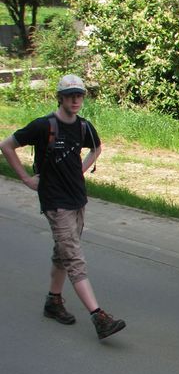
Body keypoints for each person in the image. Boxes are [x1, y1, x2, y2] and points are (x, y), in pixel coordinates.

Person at [0, 74, 126, 340]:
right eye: (70, 95)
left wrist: (80, 170)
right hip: (55, 202)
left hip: (77, 198)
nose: (75, 100)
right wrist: (24, 178)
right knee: (74, 257)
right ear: (60, 97)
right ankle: (98, 316)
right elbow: (7, 145)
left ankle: (53, 302)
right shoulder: (43, 126)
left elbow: (97, 148)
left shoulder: (84, 127)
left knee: (63, 252)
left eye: (79, 95)